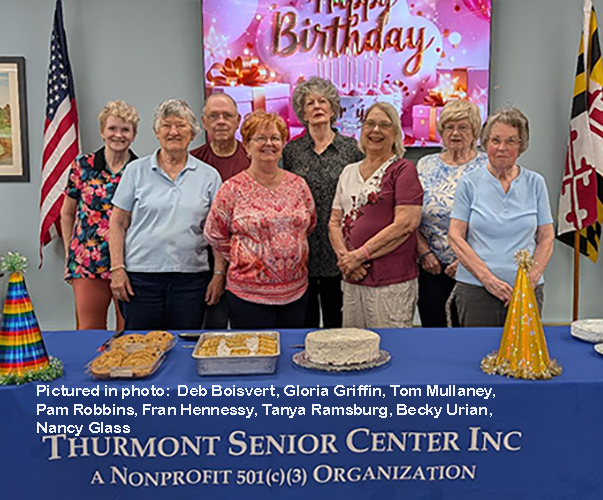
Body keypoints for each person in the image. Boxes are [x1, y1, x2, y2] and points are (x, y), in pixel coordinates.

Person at [108, 99, 223, 330]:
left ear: (193, 133)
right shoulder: (135, 171)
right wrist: (117, 269)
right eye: (166, 125)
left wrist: (219, 273)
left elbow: (218, 232)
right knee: (140, 345)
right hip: (140, 279)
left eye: (181, 125)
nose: (173, 132)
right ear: (156, 132)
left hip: (191, 280)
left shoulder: (209, 176)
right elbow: (117, 223)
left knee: (185, 343)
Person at [204, 111, 316, 329]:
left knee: (291, 347)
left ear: (283, 143)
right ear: (247, 145)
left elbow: (309, 225)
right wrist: (245, 257)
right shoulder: (232, 189)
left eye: (275, 138)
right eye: (260, 138)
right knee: (253, 349)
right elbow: (215, 233)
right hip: (247, 296)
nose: (269, 144)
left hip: (296, 293)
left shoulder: (299, 185)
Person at [448, 107, 554, 327]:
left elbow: (546, 237)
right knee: (477, 348)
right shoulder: (469, 183)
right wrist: (488, 280)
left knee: (524, 350)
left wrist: (530, 280)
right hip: (476, 289)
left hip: (526, 289)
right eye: (495, 140)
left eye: (511, 141)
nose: (502, 148)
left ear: (521, 145)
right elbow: (455, 236)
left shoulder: (536, 183)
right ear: (486, 142)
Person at [329, 102, 423, 328]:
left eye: (384, 125)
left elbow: (406, 224)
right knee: (353, 344)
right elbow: (334, 222)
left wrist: (360, 255)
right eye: (370, 124)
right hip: (353, 277)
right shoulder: (348, 171)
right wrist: (346, 260)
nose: (375, 130)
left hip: (390, 281)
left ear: (396, 133)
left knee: (391, 344)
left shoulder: (403, 170)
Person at [282, 77, 364, 328]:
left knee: (336, 322)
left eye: (323, 101)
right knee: (303, 323)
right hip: (302, 247)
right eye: (310, 103)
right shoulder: (291, 151)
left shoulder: (351, 148)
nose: (317, 107)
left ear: (333, 108)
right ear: (302, 112)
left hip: (339, 248)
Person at [60, 100, 139, 330]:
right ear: (102, 131)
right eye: (112, 128)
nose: (118, 135)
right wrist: (69, 252)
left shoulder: (140, 170)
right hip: (87, 261)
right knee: (89, 331)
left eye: (125, 129)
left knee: (129, 332)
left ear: (134, 135)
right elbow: (67, 213)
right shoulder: (82, 166)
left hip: (129, 261)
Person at [416, 100, 487, 327]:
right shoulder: (425, 165)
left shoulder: (488, 166)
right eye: (449, 127)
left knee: (470, 332)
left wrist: (466, 260)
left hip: (476, 268)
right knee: (434, 330)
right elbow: (409, 215)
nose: (455, 133)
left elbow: (494, 220)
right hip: (431, 266)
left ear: (474, 131)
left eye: (463, 127)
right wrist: (424, 253)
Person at [190, 93, 250, 329]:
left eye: (227, 116)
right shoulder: (192, 161)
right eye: (214, 116)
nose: (221, 121)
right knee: (210, 330)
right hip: (201, 262)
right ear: (204, 122)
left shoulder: (252, 159)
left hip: (246, 264)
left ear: (238, 120)